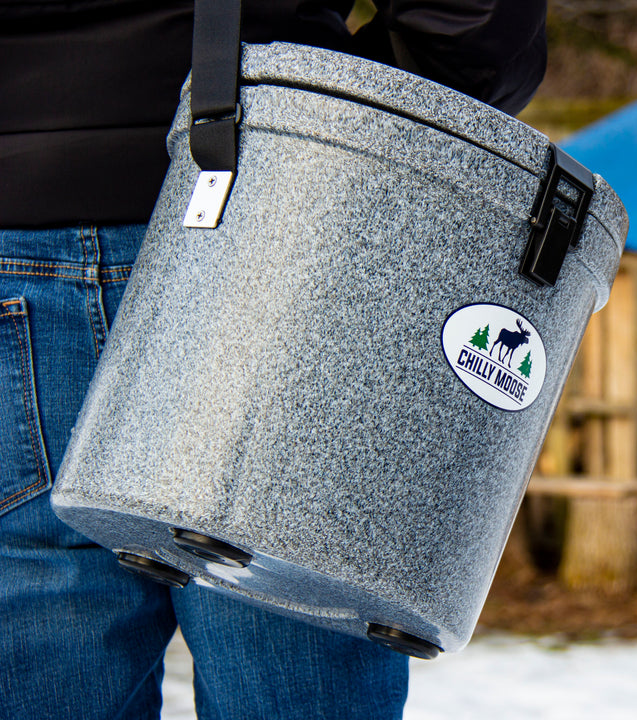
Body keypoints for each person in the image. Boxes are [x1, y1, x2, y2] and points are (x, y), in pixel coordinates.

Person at [0, 2, 547, 718]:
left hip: (19, 235)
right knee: (294, 651)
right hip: (289, 225)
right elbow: (474, 19)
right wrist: (339, 121)